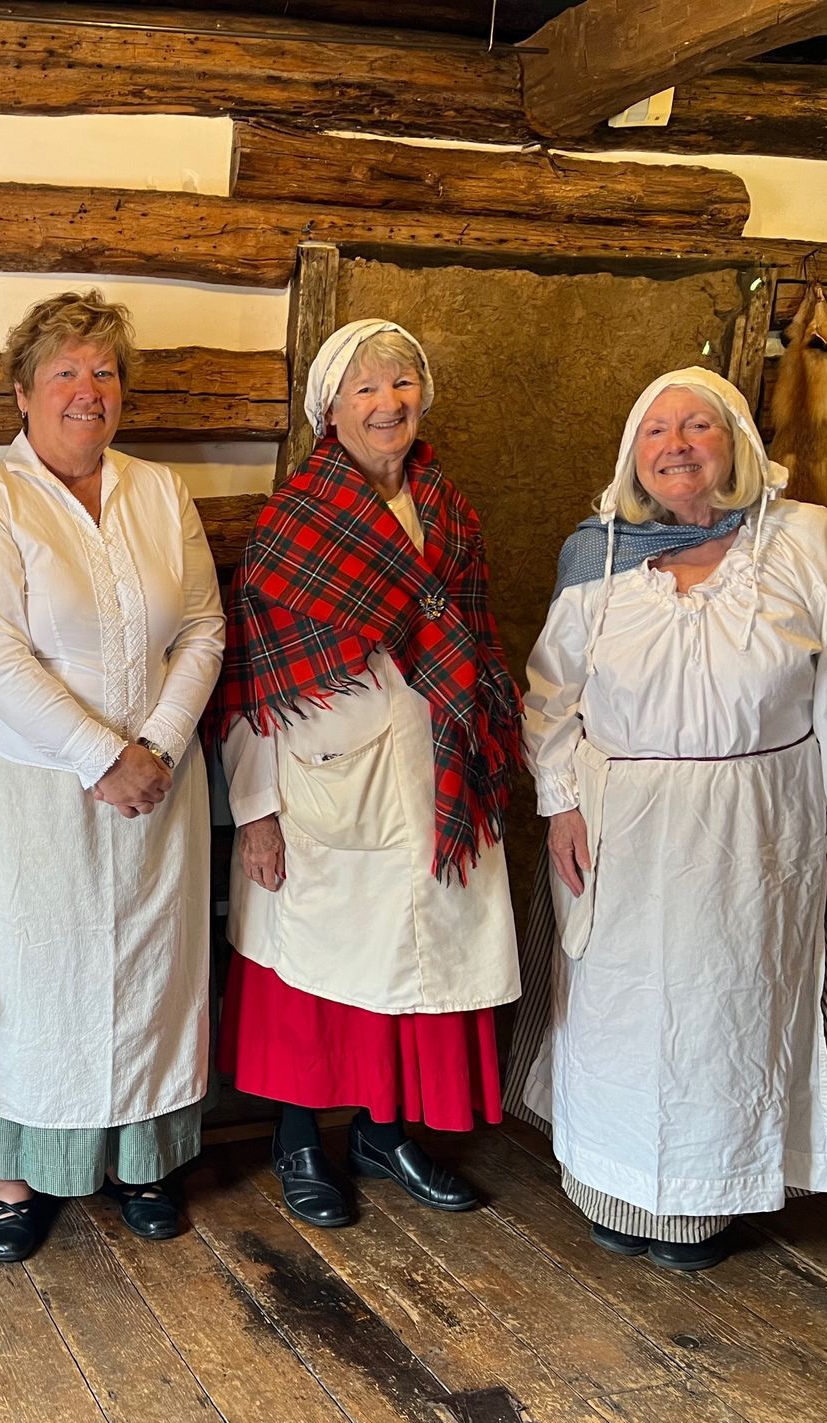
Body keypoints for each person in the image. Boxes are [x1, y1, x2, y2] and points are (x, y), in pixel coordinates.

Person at [513, 367, 827, 1271]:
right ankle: (612, 1187)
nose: (676, 445)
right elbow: (549, 694)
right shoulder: (597, 553)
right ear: (632, 456)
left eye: (698, 427)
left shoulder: (804, 539)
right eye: (656, 431)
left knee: (733, 1008)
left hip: (757, 828)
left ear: (737, 445)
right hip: (622, 828)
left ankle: (709, 1201)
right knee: (620, 1011)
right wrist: (558, 799)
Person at [208, 320, 522, 1229]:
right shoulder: (292, 522)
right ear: (330, 409)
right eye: (366, 388)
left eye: (402, 384)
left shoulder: (450, 510)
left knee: (414, 958)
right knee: (316, 961)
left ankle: (387, 1133)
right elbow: (251, 676)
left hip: (435, 772)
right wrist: (257, 810)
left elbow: (474, 636)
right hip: (321, 778)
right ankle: (300, 1135)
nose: (388, 403)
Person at [0, 290, 223, 1261]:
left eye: (103, 371)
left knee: (149, 971)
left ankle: (144, 1160)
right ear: (22, 393)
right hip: (37, 790)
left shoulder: (159, 493)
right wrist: (102, 755)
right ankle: (15, 1178)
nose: (86, 389)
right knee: (33, 974)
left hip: (159, 781)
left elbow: (201, 627)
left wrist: (161, 743)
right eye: (64, 370)